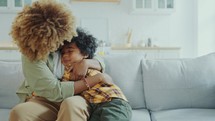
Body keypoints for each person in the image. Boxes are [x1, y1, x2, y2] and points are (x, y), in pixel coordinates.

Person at [9, 0, 107, 121]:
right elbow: (54, 91)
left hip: (75, 96)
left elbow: (93, 54)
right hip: (44, 98)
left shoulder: (64, 36)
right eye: (52, 41)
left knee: (70, 105)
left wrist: (87, 62)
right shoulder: (31, 54)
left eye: (58, 39)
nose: (59, 45)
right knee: (19, 113)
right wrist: (94, 79)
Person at [60, 28, 132, 121]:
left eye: (70, 51)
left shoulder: (93, 65)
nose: (65, 55)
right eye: (62, 53)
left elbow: (109, 81)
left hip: (113, 102)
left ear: (85, 53)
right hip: (95, 108)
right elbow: (60, 89)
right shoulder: (66, 72)